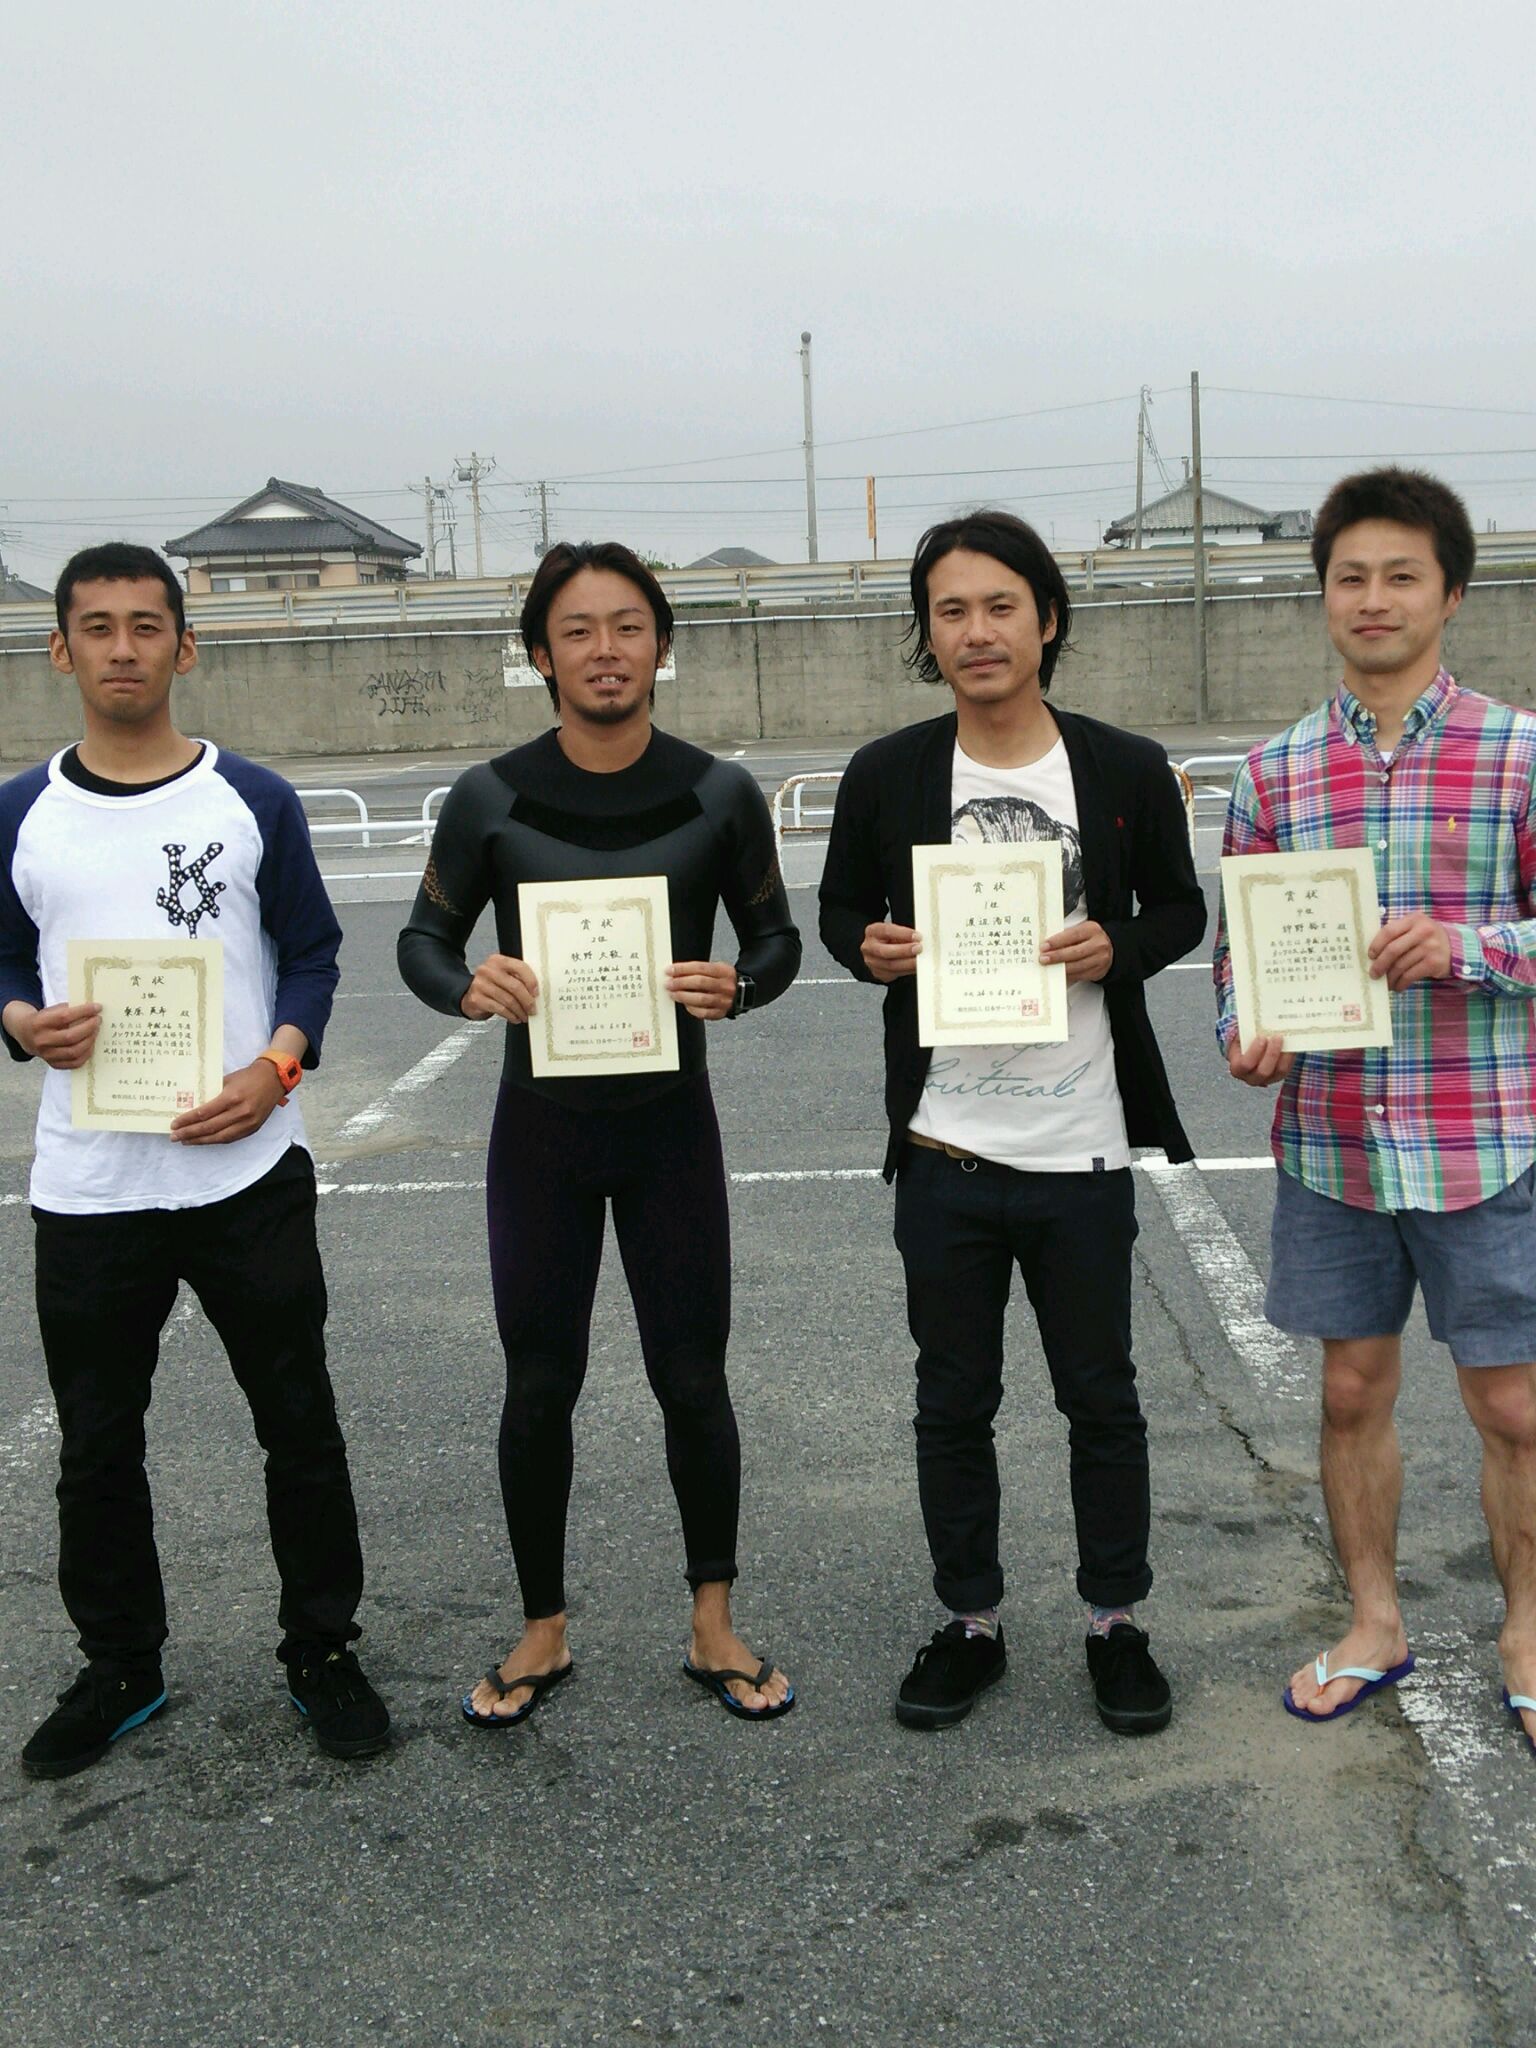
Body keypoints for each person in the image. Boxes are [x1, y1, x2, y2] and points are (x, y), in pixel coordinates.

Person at [398, 540, 800, 1725]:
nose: (606, 649)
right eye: (578, 629)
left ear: (661, 644)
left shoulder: (720, 792)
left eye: (628, 625)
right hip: (544, 1129)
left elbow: (775, 938)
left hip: (671, 1125)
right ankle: (543, 1628)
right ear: (541, 653)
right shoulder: (489, 796)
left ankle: (713, 1621)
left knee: (693, 1376)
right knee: (538, 1383)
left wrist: (741, 983)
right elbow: (422, 940)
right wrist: (467, 986)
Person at [3, 543, 388, 1779]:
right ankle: (123, 1662)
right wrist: (20, 1018)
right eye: (97, 626)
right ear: (60, 648)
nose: (123, 647)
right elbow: (3, 958)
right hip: (90, 1184)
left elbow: (314, 954)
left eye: (145, 625)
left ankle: (321, 1646)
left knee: (298, 1421)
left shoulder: (251, 799)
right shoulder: (20, 810)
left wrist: (276, 1066)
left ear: (186, 643)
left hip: (244, 1172)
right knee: (97, 1443)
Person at [819, 508, 1205, 1734]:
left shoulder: (1124, 766)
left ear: (1046, 618)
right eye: (951, 610)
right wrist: (870, 947)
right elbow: (839, 911)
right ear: (926, 632)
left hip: (1081, 1150)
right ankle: (971, 1620)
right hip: (944, 1148)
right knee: (952, 1401)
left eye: (1000, 605)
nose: (977, 630)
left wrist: (1117, 944)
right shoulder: (887, 773)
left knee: (1103, 1398)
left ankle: (1116, 1621)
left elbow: (1182, 908)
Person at [1217, 468, 1536, 1747]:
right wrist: (1243, 1030)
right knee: (1351, 1390)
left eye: (1403, 574)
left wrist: (1467, 946)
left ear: (1451, 593)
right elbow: (1242, 953)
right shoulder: (1276, 771)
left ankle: (1528, 1628)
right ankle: (1374, 1620)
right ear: (1324, 596)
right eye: (1350, 576)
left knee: (1513, 1405)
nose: (1374, 597)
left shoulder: (1518, 752)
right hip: (1335, 1137)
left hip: (1486, 1135)